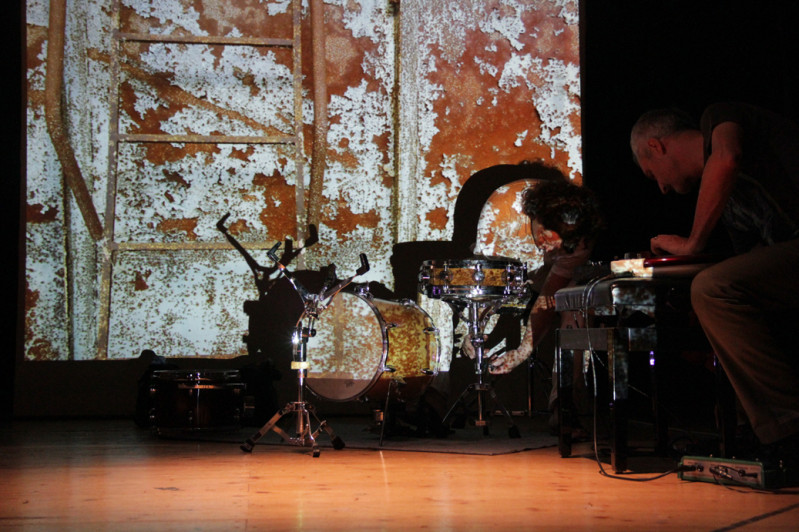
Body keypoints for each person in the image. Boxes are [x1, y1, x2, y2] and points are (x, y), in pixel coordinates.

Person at [630, 102, 799, 466]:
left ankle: (789, 430)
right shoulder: (731, 206)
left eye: (652, 174)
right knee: (716, 294)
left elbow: (727, 157)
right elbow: (746, 265)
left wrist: (692, 243)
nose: (661, 188)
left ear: (657, 146)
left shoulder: (719, 118)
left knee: (712, 288)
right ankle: (744, 432)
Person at [485, 178, 604, 375]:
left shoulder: (577, 244)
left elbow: (548, 298)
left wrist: (522, 352)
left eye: (559, 248)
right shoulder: (504, 213)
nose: (548, 249)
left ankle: (566, 390)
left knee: (573, 300)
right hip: (513, 286)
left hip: (552, 287)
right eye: (547, 239)